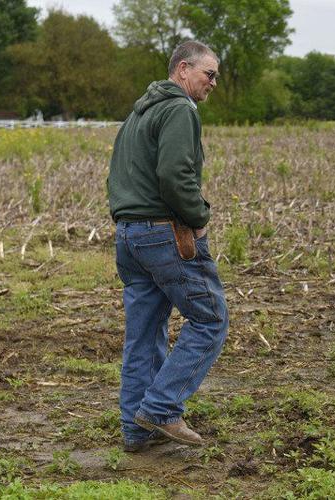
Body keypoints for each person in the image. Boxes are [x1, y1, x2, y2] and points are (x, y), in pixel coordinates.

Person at [107, 40, 228, 453]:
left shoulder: (136, 115)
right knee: (210, 319)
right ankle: (160, 409)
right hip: (164, 233)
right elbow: (176, 176)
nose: (213, 83)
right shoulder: (179, 109)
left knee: (143, 334)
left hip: (128, 236)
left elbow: (120, 178)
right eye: (208, 74)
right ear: (182, 69)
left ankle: (137, 430)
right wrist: (199, 218)